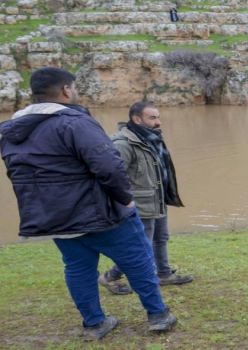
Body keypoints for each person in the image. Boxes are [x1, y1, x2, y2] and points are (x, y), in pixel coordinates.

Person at [0, 67, 176, 340]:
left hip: (52, 217)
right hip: (97, 213)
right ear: (66, 90)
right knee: (138, 260)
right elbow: (108, 165)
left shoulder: (10, 130)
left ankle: (95, 323)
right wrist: (126, 200)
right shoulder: (74, 121)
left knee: (77, 267)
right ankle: (158, 315)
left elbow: (18, 173)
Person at [99, 101, 192, 295]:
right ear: (136, 119)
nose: (158, 122)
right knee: (141, 246)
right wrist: (125, 202)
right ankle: (110, 277)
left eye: (158, 117)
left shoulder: (152, 138)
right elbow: (112, 175)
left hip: (157, 199)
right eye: (152, 118)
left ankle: (164, 274)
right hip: (138, 205)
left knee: (161, 238)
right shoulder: (123, 143)